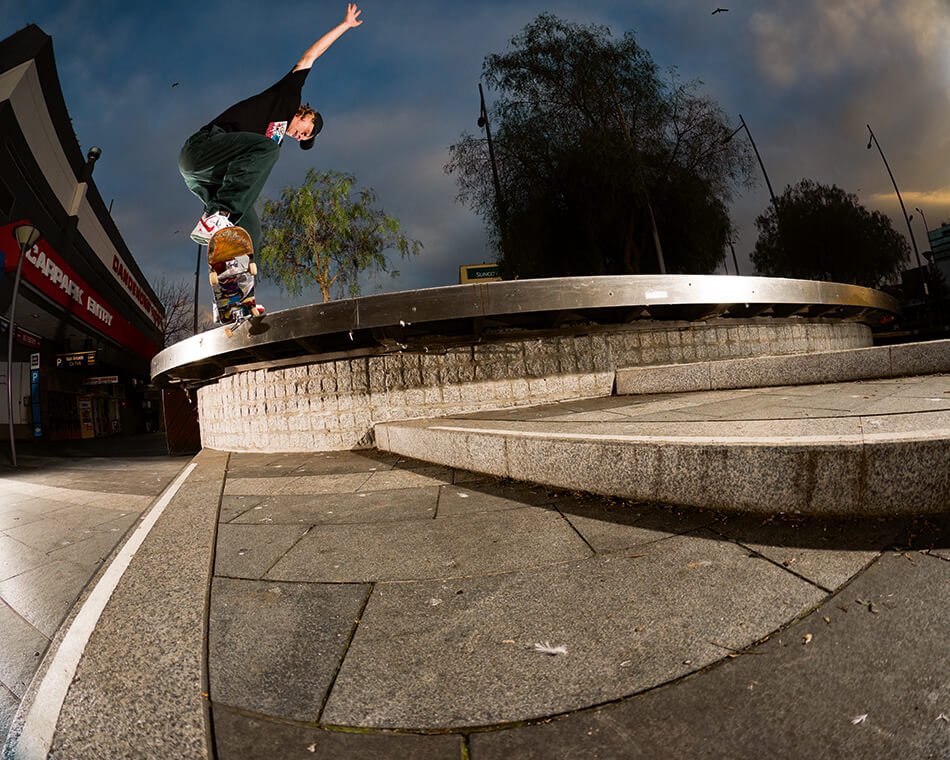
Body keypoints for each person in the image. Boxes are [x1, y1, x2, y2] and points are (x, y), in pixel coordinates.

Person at [178, 4, 362, 253]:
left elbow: (247, 177)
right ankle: (218, 214)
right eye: (307, 131)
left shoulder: (271, 141)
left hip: (207, 178)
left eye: (304, 139)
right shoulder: (287, 98)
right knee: (267, 150)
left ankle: (236, 278)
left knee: (251, 228)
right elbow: (310, 57)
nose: (301, 136)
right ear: (308, 114)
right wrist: (344, 26)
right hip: (203, 149)